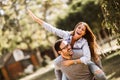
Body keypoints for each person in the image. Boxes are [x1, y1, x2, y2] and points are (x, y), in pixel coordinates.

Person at [27, 9, 107, 80]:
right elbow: (52, 29)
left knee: (99, 75)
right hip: (67, 64)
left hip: (82, 63)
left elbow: (88, 58)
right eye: (79, 27)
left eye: (83, 30)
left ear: (84, 33)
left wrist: (72, 62)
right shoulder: (66, 35)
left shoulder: (84, 42)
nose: (80, 30)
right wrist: (36, 19)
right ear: (76, 28)